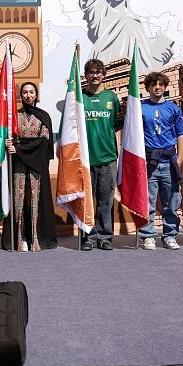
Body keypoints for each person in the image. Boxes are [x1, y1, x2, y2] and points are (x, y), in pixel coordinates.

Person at [3, 82, 57, 252]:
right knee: (19, 200)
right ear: (21, 95)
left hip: (36, 166)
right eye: (25, 92)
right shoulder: (14, 117)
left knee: (35, 200)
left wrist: (19, 148)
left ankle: (35, 239)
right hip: (18, 164)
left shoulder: (44, 117)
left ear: (36, 95)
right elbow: (8, 136)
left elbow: (44, 141)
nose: (28, 95)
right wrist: (8, 143)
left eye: (31, 92)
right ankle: (20, 240)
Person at [139, 71, 183, 250]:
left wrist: (180, 158)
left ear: (165, 87)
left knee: (172, 201)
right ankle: (148, 236)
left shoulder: (173, 108)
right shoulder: (141, 108)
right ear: (148, 88)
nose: (157, 87)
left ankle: (170, 235)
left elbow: (180, 134)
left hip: (169, 161)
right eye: (154, 85)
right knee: (148, 201)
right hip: (149, 161)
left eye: (160, 84)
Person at [80, 58, 123, 251]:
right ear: (86, 76)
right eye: (91, 72)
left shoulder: (111, 98)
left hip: (108, 158)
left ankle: (105, 237)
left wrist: (119, 151)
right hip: (85, 159)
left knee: (105, 201)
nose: (95, 75)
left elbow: (116, 126)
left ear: (103, 75)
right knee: (87, 201)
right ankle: (88, 238)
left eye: (98, 72)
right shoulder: (79, 98)